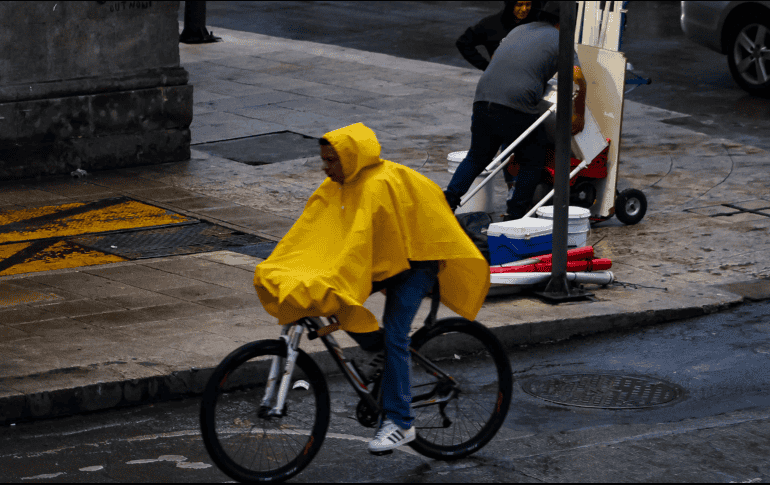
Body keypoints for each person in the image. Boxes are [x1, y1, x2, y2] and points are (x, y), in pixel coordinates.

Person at [253, 123, 489, 455]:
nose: (326, 168)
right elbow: (309, 234)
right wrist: (287, 267)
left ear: (349, 157)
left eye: (332, 160)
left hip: (418, 258)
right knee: (333, 298)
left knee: (395, 333)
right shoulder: (337, 186)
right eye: (323, 160)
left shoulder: (378, 185)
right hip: (386, 258)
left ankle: (401, 422)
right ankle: (381, 351)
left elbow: (358, 246)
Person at [444, 1, 587, 221]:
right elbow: (577, 77)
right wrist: (578, 116)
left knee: (477, 156)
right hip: (515, 105)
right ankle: (515, 214)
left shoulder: (518, 30)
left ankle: (448, 202)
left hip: (483, 100)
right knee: (533, 156)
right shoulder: (561, 39)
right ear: (565, 23)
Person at [456, 1, 537, 72]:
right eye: (519, 5)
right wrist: (485, 66)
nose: (524, 9)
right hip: (502, 80)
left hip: (531, 79)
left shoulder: (536, 24)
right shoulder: (490, 24)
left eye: (528, 4)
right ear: (510, 4)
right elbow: (463, 43)